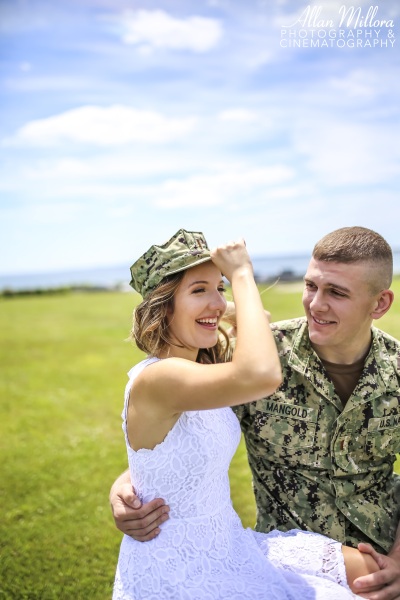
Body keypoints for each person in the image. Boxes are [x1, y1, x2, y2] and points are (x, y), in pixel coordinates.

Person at [110, 226, 400, 600]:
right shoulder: (253, 357)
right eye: (311, 286)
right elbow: (164, 443)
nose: (315, 304)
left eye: (337, 293)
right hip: (272, 546)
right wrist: (125, 488)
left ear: (380, 304)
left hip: (380, 544)